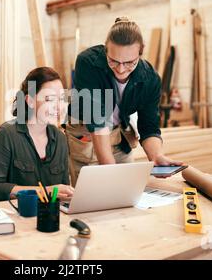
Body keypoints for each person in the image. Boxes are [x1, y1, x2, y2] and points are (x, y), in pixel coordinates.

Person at [66, 17, 183, 185]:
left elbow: (149, 126)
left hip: (119, 135)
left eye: (130, 62)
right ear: (106, 50)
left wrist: (156, 156)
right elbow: (97, 121)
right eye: (113, 61)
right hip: (86, 135)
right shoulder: (88, 63)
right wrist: (111, 173)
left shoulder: (150, 78)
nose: (121, 69)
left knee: (126, 192)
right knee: (94, 196)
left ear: (140, 53)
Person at [0, 67, 74, 202]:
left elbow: (63, 191)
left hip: (51, 217)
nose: (58, 107)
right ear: (30, 100)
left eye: (61, 99)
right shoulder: (6, 135)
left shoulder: (60, 138)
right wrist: (45, 191)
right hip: (17, 217)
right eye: (49, 99)